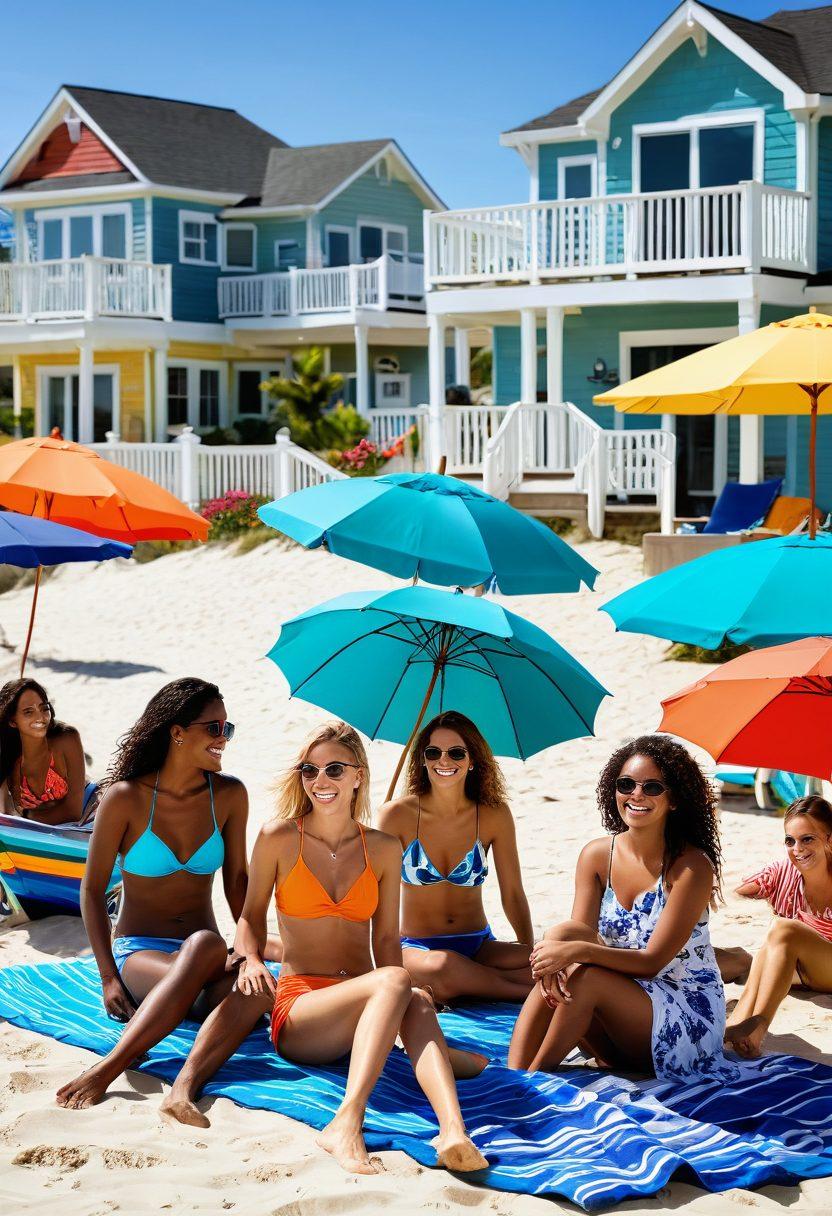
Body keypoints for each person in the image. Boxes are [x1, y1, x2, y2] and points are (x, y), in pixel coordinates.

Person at [160, 720, 488, 1177]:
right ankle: (347, 1121)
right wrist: (252, 959)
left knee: (410, 995)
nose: (320, 781)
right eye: (309, 771)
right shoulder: (279, 837)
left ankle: (454, 1131)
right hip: (301, 1011)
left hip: (360, 1004)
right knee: (399, 983)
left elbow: (387, 940)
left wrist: (397, 1005)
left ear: (358, 775)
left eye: (334, 769)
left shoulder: (384, 848)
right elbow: (250, 916)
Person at [56, 677, 261, 1109]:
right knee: (205, 943)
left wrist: (251, 951)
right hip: (142, 953)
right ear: (178, 732)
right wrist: (109, 976)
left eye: (228, 729)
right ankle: (110, 1067)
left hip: (206, 962)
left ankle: (186, 1083)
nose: (223, 739)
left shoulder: (228, 796)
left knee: (257, 990)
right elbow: (92, 891)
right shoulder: (125, 798)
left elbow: (237, 884)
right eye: (214, 728)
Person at [507, 735, 737, 1081]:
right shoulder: (598, 855)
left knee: (585, 976)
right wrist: (555, 943)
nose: (636, 795)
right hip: (624, 1008)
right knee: (561, 967)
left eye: (653, 787)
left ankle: (534, 1081)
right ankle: (514, 1075)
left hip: (686, 1014)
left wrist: (575, 950)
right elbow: (581, 930)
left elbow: (651, 963)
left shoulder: (690, 867)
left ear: (674, 800)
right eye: (626, 784)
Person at [378, 711, 533, 1003]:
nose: (443, 761)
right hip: (416, 948)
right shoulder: (395, 815)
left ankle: (481, 981)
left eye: (456, 753)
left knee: (552, 960)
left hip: (479, 945)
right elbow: (373, 895)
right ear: (421, 759)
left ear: (473, 760)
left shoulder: (493, 814)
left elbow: (512, 893)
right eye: (433, 752)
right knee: (443, 966)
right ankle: (526, 991)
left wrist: (530, 951)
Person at [724, 795, 832, 1059]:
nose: (797, 849)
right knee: (775, 937)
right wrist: (759, 893)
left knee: (784, 929)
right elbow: (740, 891)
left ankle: (757, 1028)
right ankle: (738, 1021)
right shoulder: (785, 871)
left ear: (829, 840)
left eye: (808, 839)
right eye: (789, 840)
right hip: (802, 974)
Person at [0, 678, 88, 824]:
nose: (40, 717)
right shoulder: (9, 755)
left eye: (44, 708)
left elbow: (73, 811)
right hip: (30, 834)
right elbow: (6, 812)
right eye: (29, 712)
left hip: (80, 823)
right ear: (12, 721)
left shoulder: (66, 739)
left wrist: (28, 816)